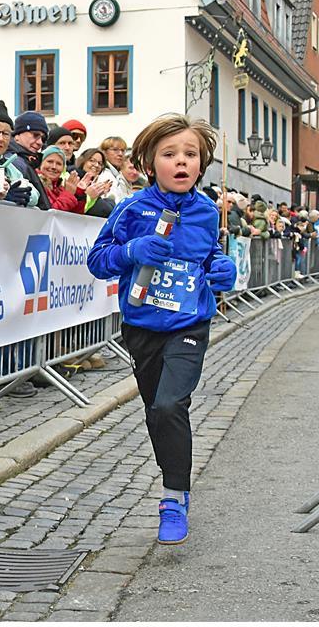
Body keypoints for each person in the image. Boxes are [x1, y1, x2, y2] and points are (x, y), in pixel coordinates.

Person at [87, 112, 236, 545]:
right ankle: (173, 475)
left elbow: (211, 261)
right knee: (157, 410)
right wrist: (132, 249)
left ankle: (174, 497)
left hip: (190, 323)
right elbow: (98, 261)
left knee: (172, 406)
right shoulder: (132, 209)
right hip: (142, 325)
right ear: (151, 162)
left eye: (190, 154)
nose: (181, 161)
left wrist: (223, 271)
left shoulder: (208, 212)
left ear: (201, 164)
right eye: (170, 154)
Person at [8, 111, 53, 210]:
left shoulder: (27, 161)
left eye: (43, 138)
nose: (40, 142)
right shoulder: (15, 162)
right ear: (17, 135)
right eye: (35, 135)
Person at [37, 147, 86, 214]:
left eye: (59, 164)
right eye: (50, 161)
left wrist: (78, 193)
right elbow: (50, 215)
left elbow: (76, 216)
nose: (54, 167)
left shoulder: (61, 188)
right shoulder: (36, 183)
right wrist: (68, 194)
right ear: (41, 164)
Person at [75, 147, 115, 218]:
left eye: (100, 163)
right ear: (82, 161)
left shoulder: (94, 183)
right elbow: (103, 210)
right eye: (92, 160)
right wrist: (109, 201)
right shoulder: (74, 178)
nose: (96, 165)